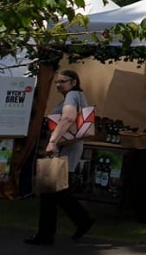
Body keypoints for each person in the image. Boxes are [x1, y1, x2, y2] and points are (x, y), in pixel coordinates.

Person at [26, 70, 96, 245]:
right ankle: (54, 231)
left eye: (62, 81)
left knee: (54, 190)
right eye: (57, 82)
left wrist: (53, 141)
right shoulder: (77, 96)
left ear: (73, 82)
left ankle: (76, 222)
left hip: (63, 148)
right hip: (68, 147)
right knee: (53, 192)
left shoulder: (72, 95)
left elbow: (68, 118)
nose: (58, 85)